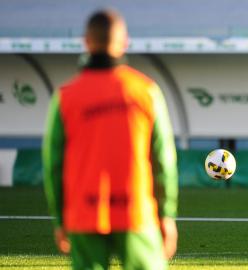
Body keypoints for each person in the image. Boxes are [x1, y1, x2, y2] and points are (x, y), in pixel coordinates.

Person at [42, 9, 178, 269]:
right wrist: (166, 215)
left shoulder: (66, 97)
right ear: (124, 42)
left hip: (83, 214)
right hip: (137, 211)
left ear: (86, 42)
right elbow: (163, 160)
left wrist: (60, 219)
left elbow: (54, 164)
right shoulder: (146, 91)